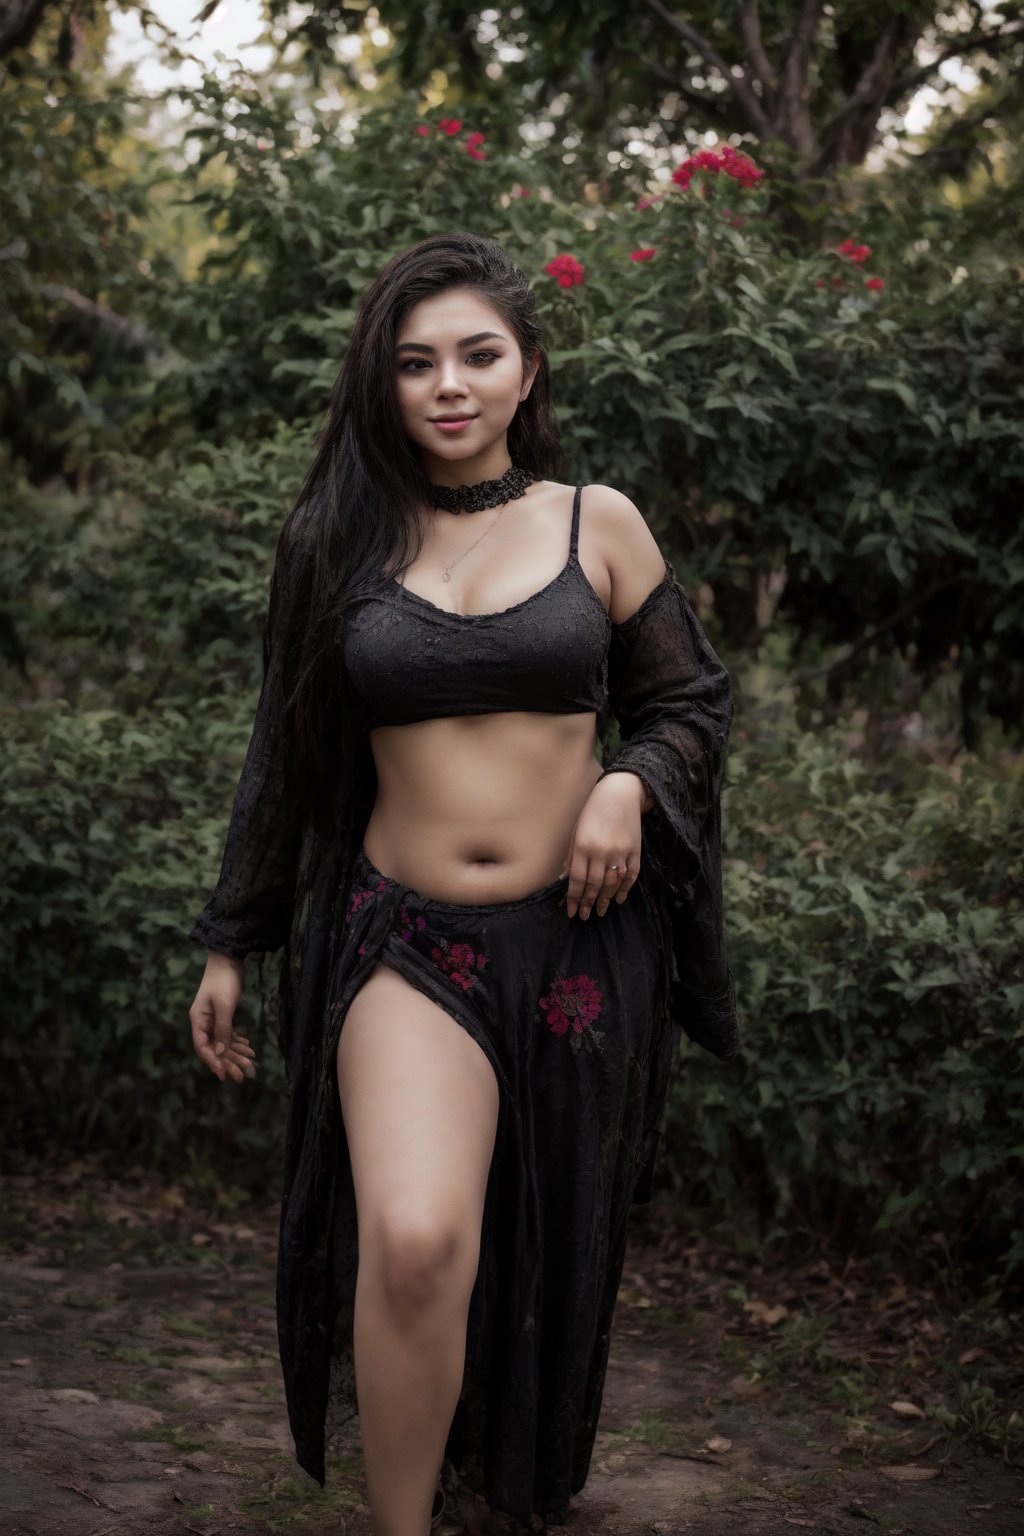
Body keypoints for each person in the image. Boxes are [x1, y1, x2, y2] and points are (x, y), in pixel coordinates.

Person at [187, 231, 739, 1536]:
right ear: (380, 384)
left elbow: (691, 703)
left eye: (477, 355)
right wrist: (231, 940)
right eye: (415, 360)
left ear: (525, 370)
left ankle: (497, 1477)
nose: (448, 384)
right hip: (407, 938)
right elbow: (287, 747)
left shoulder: (595, 522)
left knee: (535, 1247)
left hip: (577, 946)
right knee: (422, 1238)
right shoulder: (336, 542)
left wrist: (631, 785)